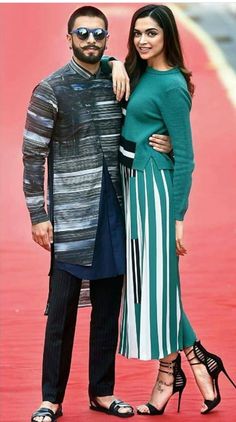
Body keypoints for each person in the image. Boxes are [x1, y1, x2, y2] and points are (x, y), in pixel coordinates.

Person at [22, 6, 172, 422]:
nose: (91, 40)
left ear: (107, 39)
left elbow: (157, 111)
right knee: (63, 308)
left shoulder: (118, 79)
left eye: (99, 35)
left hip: (119, 209)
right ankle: (51, 398)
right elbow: (33, 156)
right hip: (72, 214)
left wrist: (169, 143)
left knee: (108, 305)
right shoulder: (50, 88)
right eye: (83, 34)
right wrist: (39, 214)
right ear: (69, 38)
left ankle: (102, 392)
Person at [109, 4, 236, 416]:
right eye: (138, 33)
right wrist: (114, 61)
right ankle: (198, 363)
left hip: (156, 192)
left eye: (152, 34)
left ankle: (174, 374)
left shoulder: (173, 85)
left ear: (168, 37)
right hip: (133, 185)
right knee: (156, 284)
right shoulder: (137, 70)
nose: (143, 41)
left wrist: (178, 218)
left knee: (156, 284)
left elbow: (186, 156)